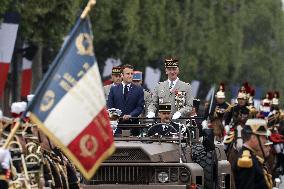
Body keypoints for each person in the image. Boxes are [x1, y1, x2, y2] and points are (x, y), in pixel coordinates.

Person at [233, 118, 273, 189]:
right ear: (253, 138)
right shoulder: (246, 161)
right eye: (263, 137)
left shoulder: (252, 157)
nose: (266, 140)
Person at [107, 64, 144, 135]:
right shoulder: (113, 89)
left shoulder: (139, 90)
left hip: (133, 127)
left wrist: (131, 115)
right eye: (127, 74)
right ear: (122, 75)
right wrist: (116, 117)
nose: (130, 76)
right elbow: (110, 107)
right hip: (117, 127)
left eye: (131, 74)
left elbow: (140, 107)